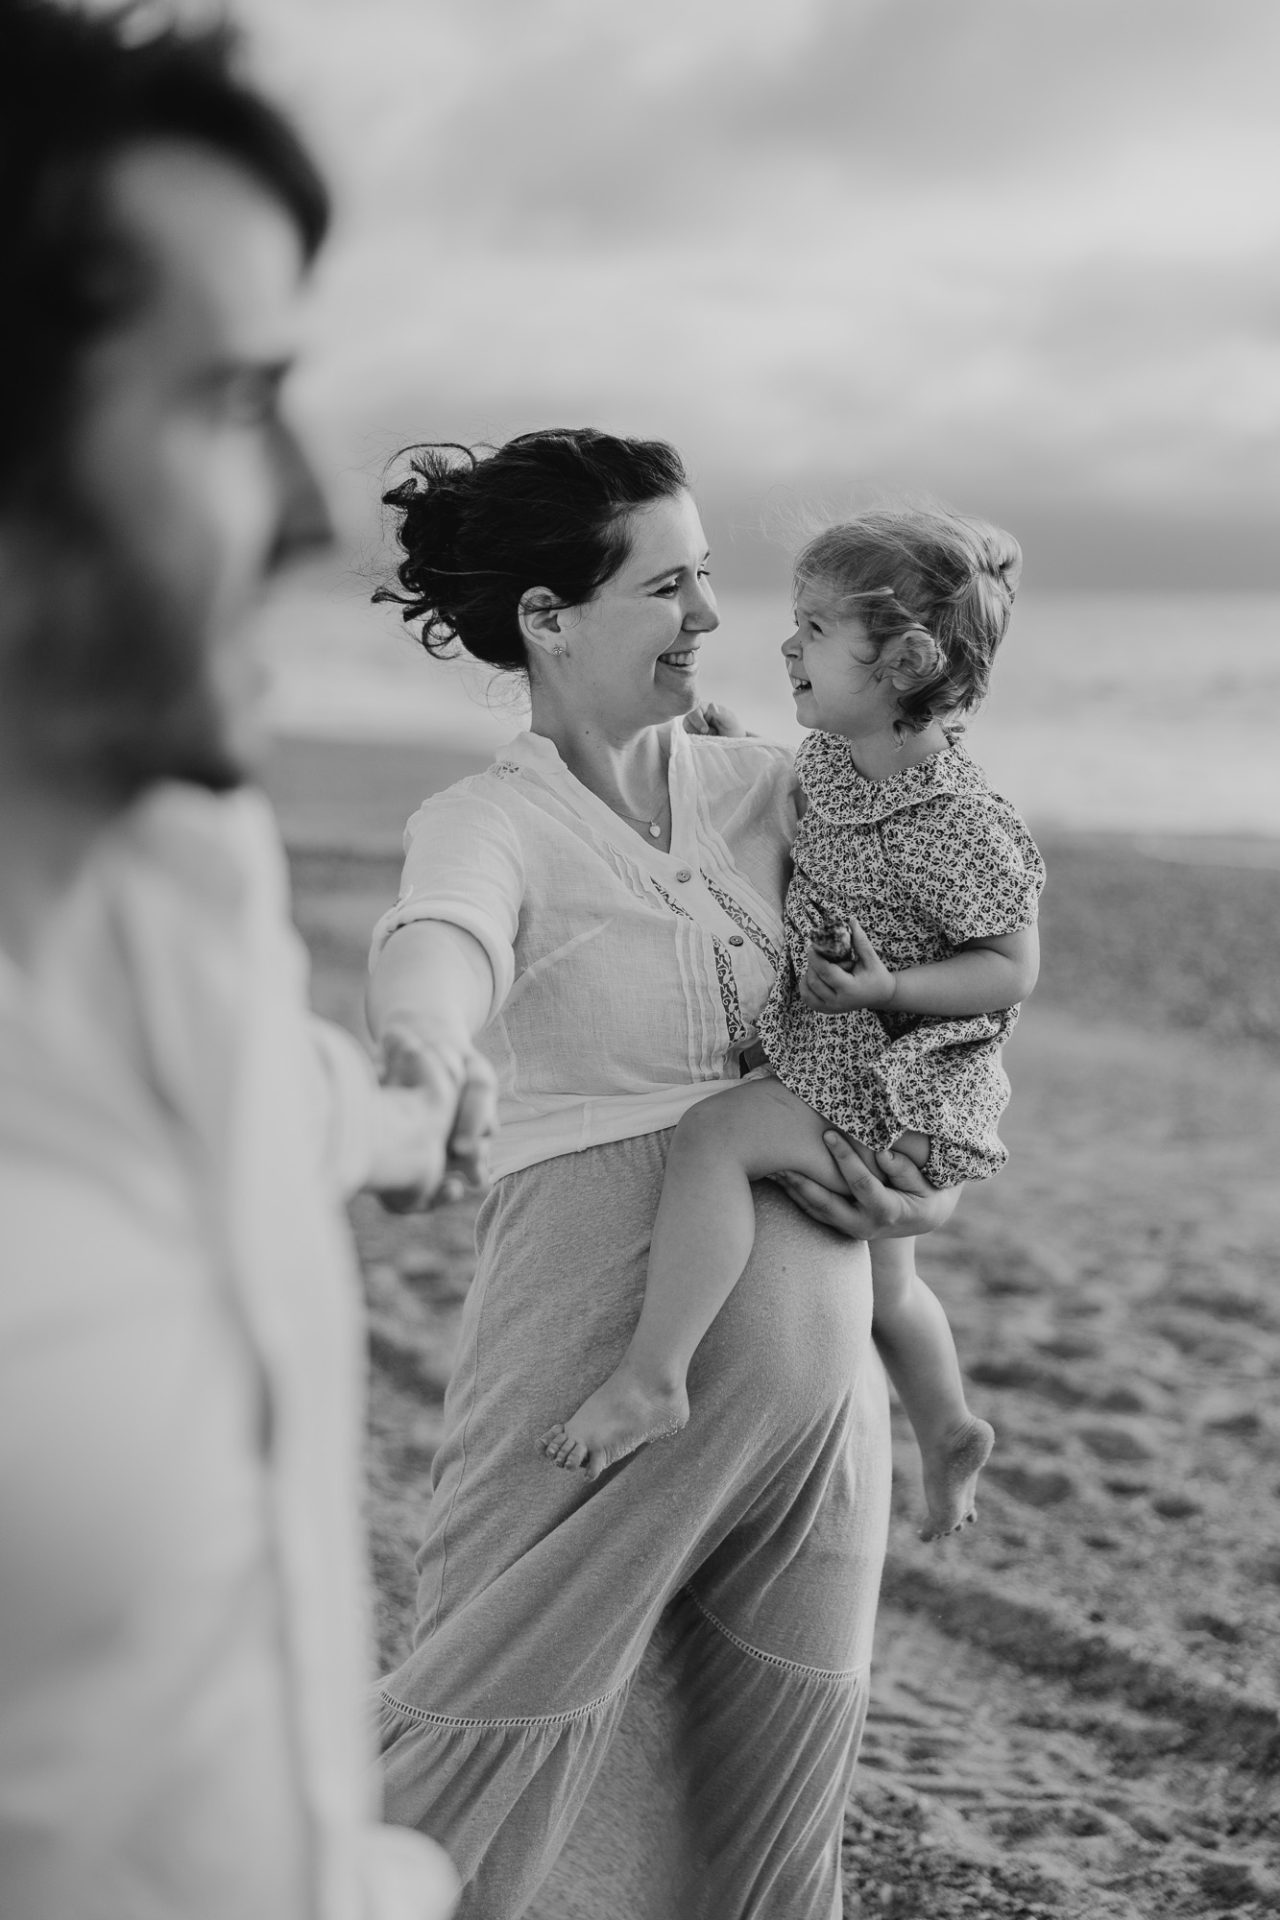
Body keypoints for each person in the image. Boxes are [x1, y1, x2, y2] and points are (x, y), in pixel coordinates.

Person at [0, 6, 477, 1915]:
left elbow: (273, 1107)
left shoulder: (185, 885)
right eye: (223, 401)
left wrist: (408, 1114)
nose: (307, 511)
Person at [365, 428, 962, 1919]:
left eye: (710, 581)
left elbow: (938, 997)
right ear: (547, 619)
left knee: (765, 1826)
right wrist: (427, 1054)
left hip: (820, 1422)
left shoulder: (780, 789)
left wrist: (922, 1185)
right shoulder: (489, 820)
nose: (713, 619)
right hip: (593, 1365)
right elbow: (442, 940)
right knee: (466, 1760)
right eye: (671, 585)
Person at [542, 506, 1045, 1542]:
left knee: (714, 1138)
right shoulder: (826, 761)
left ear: (902, 660)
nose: (784, 644)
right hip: (847, 1055)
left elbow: (1009, 967)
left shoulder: (957, 818)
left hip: (898, 1081)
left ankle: (652, 1375)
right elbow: (788, 798)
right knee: (887, 1288)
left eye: (814, 629)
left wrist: (887, 993)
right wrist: (722, 743)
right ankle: (946, 1424)